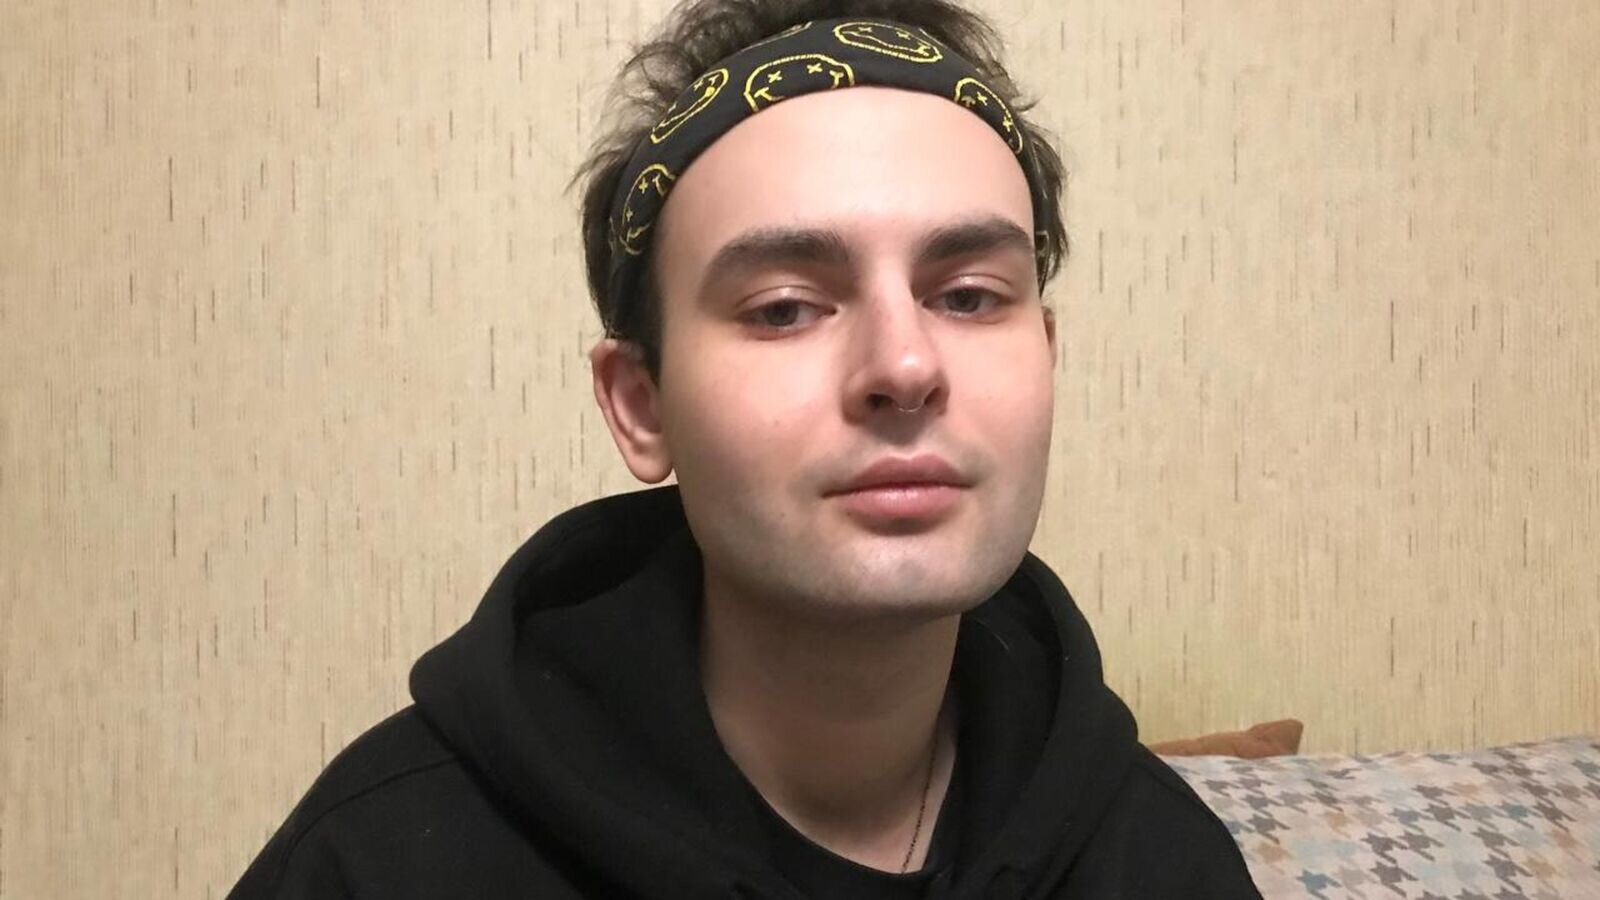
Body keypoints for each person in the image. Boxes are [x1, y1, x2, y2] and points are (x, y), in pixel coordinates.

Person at [228, 1, 1263, 897]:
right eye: (783, 309)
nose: (905, 365)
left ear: (1046, 355)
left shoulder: (1163, 862)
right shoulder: (382, 862)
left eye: (967, 296)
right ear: (641, 405)